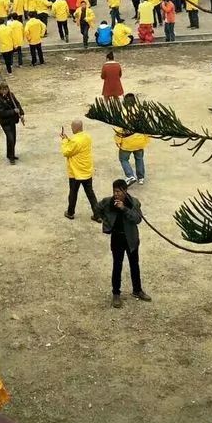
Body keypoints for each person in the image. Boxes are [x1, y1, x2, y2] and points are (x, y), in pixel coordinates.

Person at [96, 180, 151, 308]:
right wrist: (105, 220)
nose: (115, 194)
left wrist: (124, 208)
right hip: (117, 238)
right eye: (114, 191)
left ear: (125, 191)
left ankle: (137, 290)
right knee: (117, 266)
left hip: (131, 239)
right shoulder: (108, 202)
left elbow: (137, 219)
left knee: (134, 265)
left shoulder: (134, 202)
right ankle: (116, 293)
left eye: (118, 191)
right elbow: (97, 208)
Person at [61, 120, 99, 221]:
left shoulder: (75, 140)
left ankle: (70, 213)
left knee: (73, 193)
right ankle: (97, 214)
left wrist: (64, 140)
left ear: (76, 128)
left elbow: (66, 152)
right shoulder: (87, 136)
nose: (72, 129)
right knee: (90, 193)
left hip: (75, 172)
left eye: (72, 127)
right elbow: (76, 146)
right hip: (86, 170)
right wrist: (68, 139)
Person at [114, 96, 149, 185]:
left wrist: (118, 141)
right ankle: (141, 178)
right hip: (140, 141)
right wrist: (146, 139)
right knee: (139, 158)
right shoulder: (140, 112)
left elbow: (119, 129)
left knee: (123, 159)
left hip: (127, 142)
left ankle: (130, 175)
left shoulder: (122, 114)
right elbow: (147, 127)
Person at [0, 82, 24, 164]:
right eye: (3, 89)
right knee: (10, 138)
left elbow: (17, 104)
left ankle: (10, 154)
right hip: (4, 122)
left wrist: (21, 113)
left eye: (6, 89)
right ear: (0, 90)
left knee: (13, 138)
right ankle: (11, 157)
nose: (5, 91)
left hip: (12, 120)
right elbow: (1, 113)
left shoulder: (11, 95)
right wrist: (13, 111)